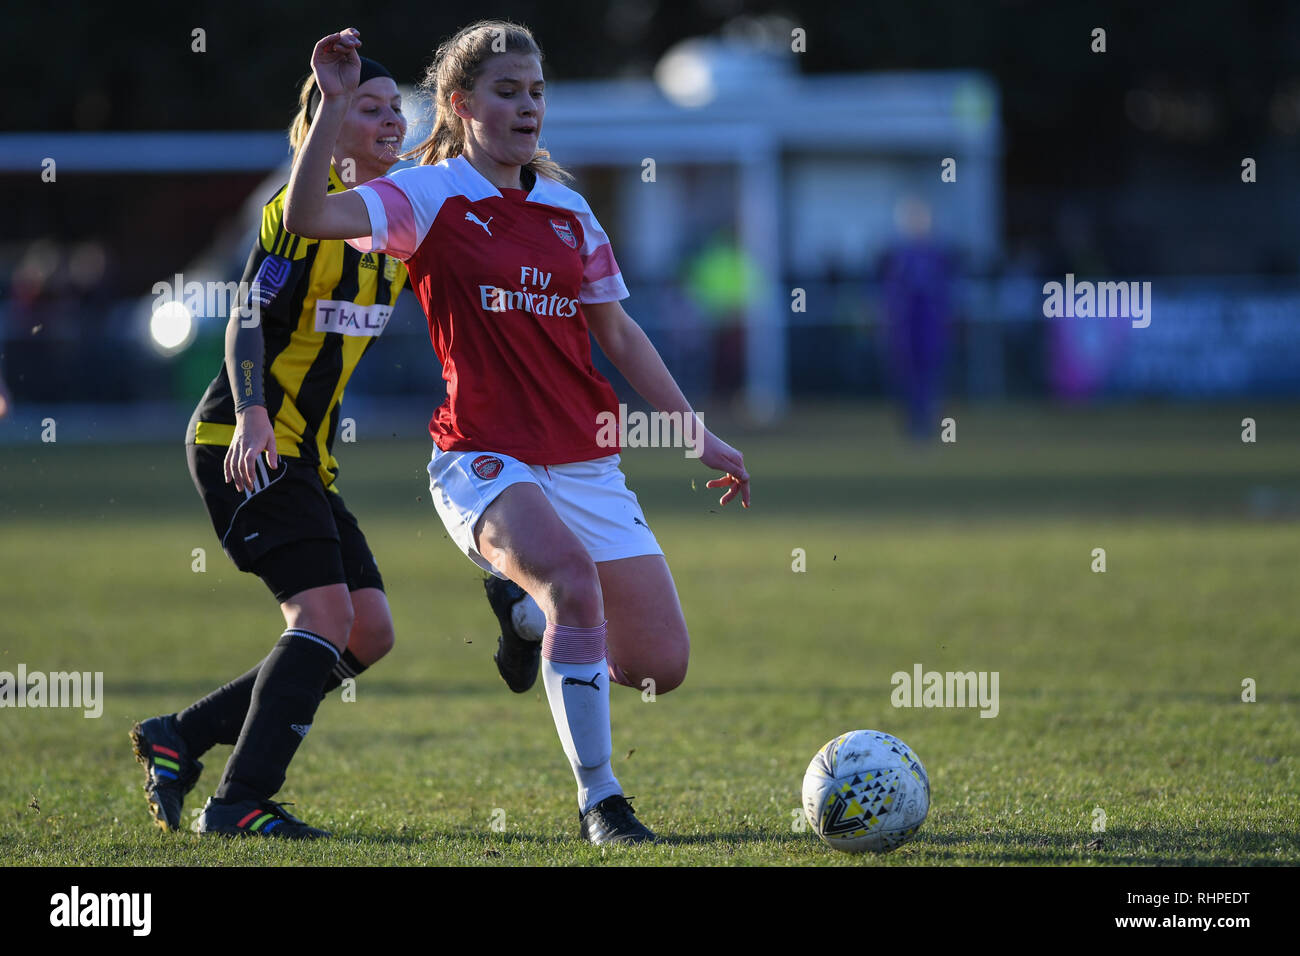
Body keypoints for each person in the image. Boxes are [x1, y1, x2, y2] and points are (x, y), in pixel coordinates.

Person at [284, 23, 751, 845]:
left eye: (536, 92)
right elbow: (308, 212)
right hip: (482, 456)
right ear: (462, 106)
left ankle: (528, 619)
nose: (527, 106)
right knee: (571, 578)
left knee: (658, 668)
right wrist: (329, 102)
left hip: (587, 460)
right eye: (507, 91)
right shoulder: (424, 194)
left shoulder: (570, 212)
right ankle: (602, 800)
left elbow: (620, 335)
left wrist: (694, 433)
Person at [130, 57, 410, 838]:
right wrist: (253, 412)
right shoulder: (297, 211)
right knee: (321, 614)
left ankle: (179, 736)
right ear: (327, 121)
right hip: (242, 441)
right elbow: (246, 314)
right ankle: (239, 802)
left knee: (368, 632)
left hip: (307, 461)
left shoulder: (395, 228)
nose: (392, 120)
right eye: (370, 108)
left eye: (396, 107)